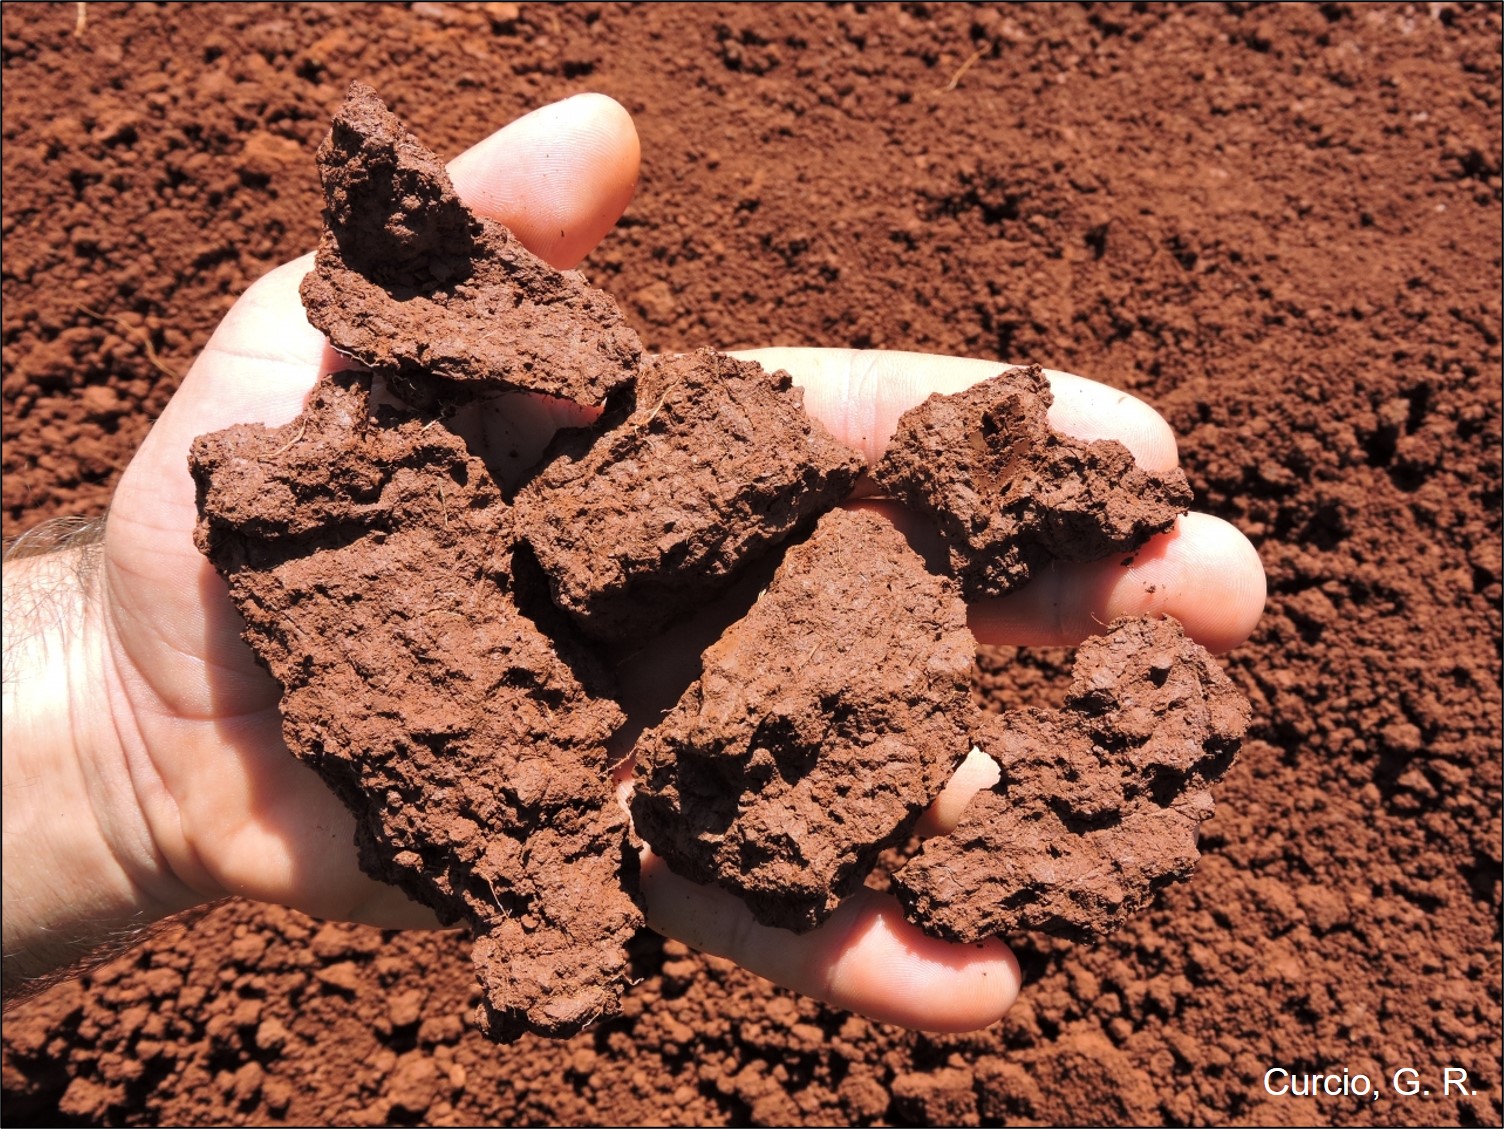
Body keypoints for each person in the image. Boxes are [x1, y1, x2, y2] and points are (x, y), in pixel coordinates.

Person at [1, 94, 1265, 1030]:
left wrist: (107, 746)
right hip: (550, 713)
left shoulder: (840, 567)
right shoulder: (343, 499)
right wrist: (116, 724)